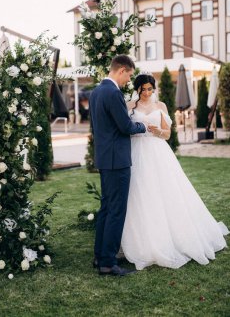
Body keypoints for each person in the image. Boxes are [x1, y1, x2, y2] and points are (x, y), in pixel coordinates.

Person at [121, 73, 229, 270]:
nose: (146, 93)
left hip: (157, 151)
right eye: (143, 89)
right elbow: (122, 128)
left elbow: (168, 134)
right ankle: (140, 238)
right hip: (136, 151)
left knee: (166, 192)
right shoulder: (129, 106)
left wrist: (157, 131)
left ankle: (172, 235)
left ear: (154, 89)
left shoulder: (160, 106)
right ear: (137, 89)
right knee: (139, 193)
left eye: (149, 89)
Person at [89, 55, 146, 276]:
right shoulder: (113, 92)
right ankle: (108, 262)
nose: (128, 80)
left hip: (105, 158)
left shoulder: (96, 92)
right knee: (116, 211)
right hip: (117, 161)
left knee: (106, 208)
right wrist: (142, 126)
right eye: (129, 75)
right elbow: (125, 126)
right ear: (121, 70)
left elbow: (97, 127)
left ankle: (99, 255)